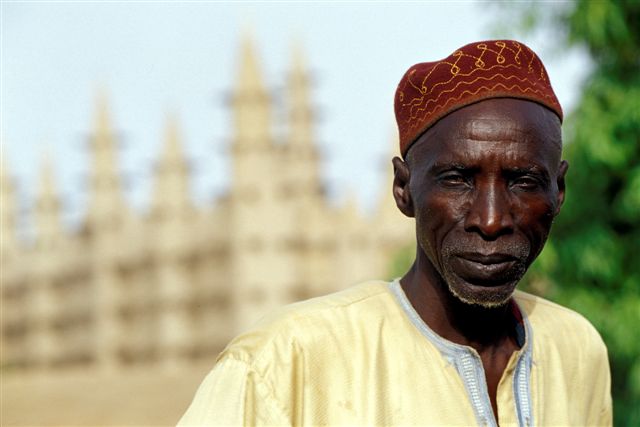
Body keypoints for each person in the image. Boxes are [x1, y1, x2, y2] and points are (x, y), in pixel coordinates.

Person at [178, 40, 612, 426]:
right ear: (404, 189)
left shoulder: (576, 349)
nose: (492, 219)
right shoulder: (285, 361)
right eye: (458, 180)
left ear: (558, 192)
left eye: (522, 181)